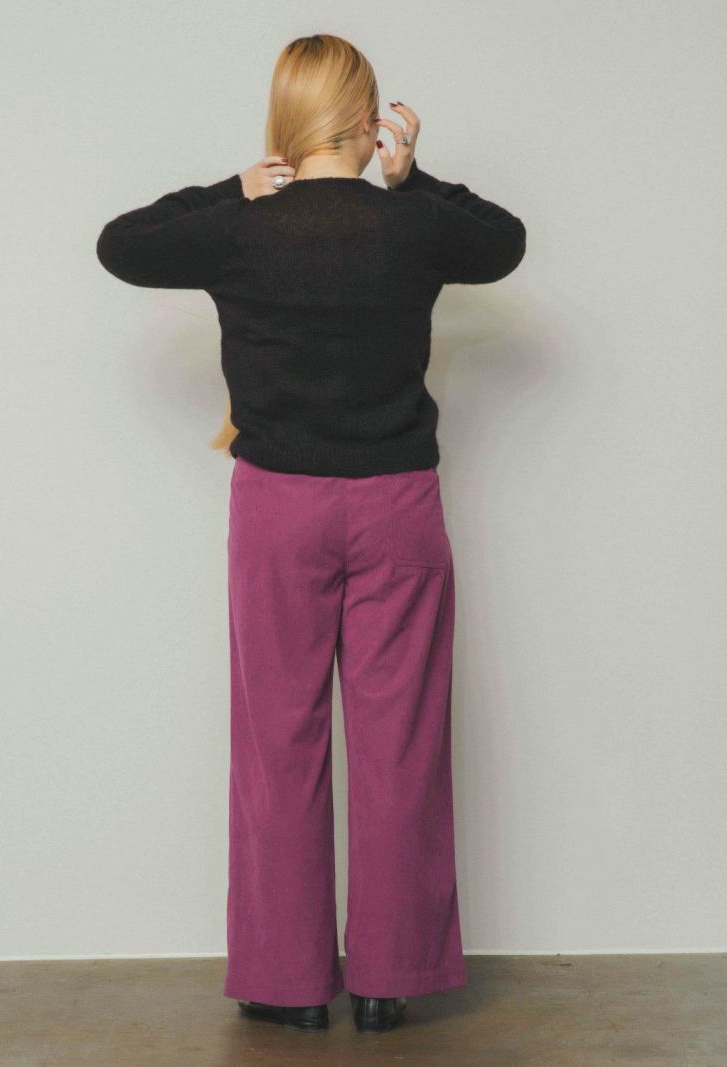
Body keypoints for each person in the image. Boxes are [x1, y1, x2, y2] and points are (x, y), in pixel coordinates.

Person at [96, 33, 526, 1036]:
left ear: (287, 116)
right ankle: (387, 979)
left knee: (277, 740)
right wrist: (414, 179)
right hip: (397, 505)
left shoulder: (240, 228)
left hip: (278, 509)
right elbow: (503, 241)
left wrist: (233, 189)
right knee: (398, 743)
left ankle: (287, 982)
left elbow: (122, 243)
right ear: (370, 117)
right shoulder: (412, 225)